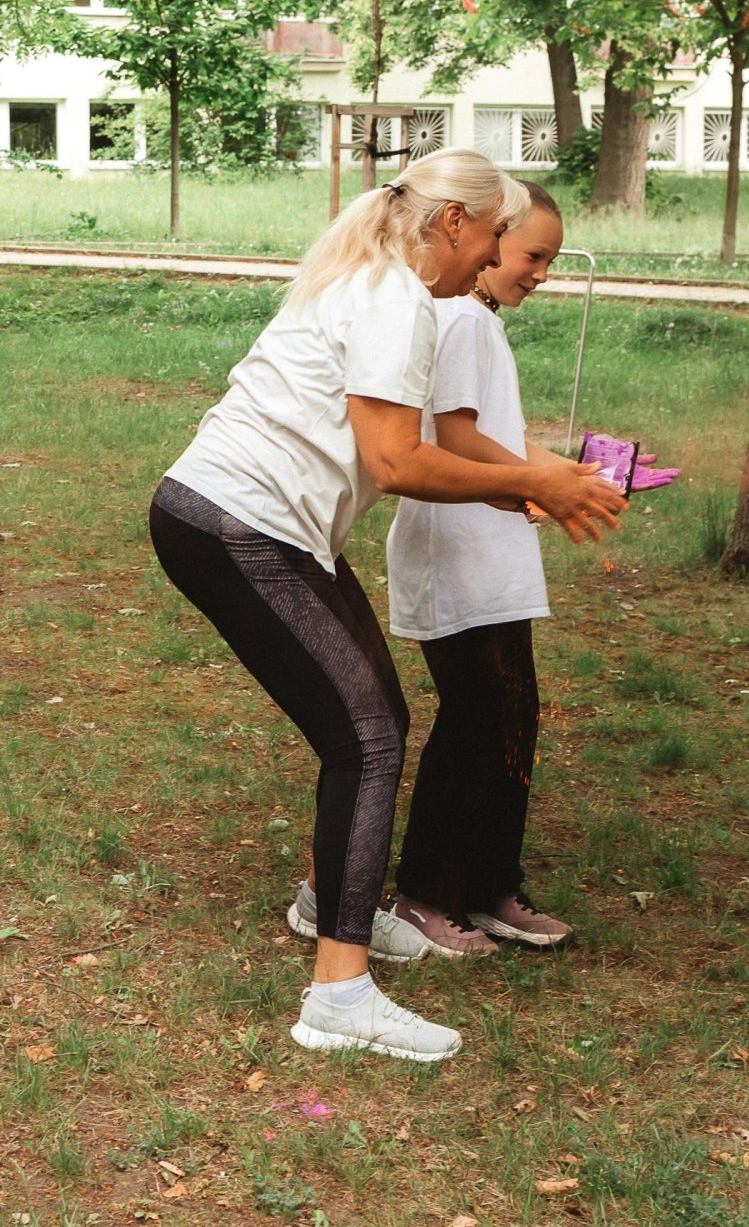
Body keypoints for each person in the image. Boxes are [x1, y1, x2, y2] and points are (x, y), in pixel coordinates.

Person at [149, 152, 626, 1062]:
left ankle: (334, 902)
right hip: (238, 526)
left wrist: (535, 479)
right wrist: (534, 481)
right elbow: (398, 462)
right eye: (494, 237)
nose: (495, 259)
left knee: (373, 724)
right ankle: (339, 996)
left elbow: (411, 453)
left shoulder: (368, 275)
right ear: (453, 223)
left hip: (252, 526)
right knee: (368, 738)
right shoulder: (397, 299)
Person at [377, 180, 575, 957]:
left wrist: (565, 474)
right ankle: (426, 893)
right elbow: (454, 440)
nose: (540, 272)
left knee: (511, 720)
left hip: (491, 558)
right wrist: (540, 485)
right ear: (491, 238)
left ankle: (491, 884)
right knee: (476, 723)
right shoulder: (460, 318)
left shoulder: (477, 320)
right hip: (456, 556)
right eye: (531, 254)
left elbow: (495, 436)